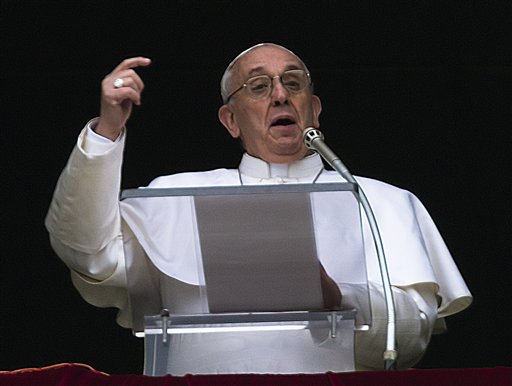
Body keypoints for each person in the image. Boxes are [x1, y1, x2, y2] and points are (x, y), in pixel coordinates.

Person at [45, 43, 472, 373]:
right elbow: (87, 254)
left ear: (315, 110)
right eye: (259, 86)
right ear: (230, 120)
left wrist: (338, 298)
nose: (280, 95)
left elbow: (411, 339)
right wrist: (106, 131)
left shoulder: (382, 201)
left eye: (294, 82)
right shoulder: (175, 195)